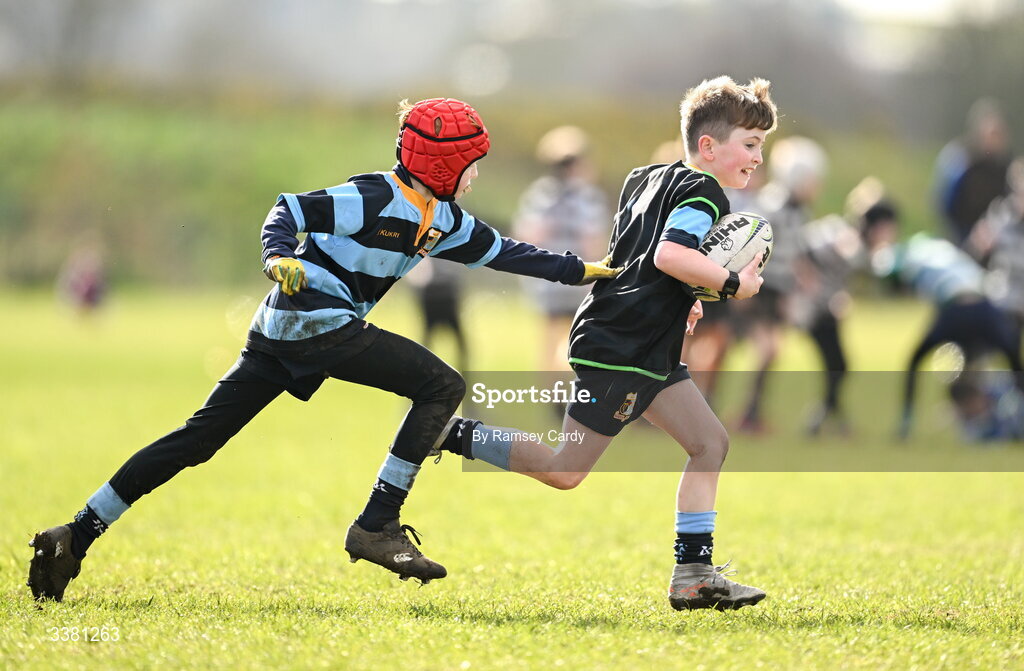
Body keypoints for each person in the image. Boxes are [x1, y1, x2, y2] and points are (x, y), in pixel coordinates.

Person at [27, 98, 620, 602]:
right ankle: (376, 522)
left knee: (196, 441)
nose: (475, 176)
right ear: (442, 164)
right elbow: (287, 208)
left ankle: (73, 535)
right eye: (471, 164)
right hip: (316, 322)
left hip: (282, 332)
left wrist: (590, 271)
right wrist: (278, 256)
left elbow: (513, 253)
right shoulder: (372, 196)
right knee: (441, 385)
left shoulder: (444, 219)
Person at [432, 76, 778, 611]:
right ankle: (453, 433)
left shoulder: (647, 177)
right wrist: (734, 283)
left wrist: (686, 299)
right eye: (750, 144)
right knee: (564, 469)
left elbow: (634, 255)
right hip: (624, 348)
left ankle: (694, 574)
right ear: (708, 146)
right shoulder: (705, 191)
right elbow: (668, 255)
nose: (758, 157)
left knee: (710, 444)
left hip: (641, 344)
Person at [734, 136, 826, 433]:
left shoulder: (800, 212)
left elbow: (796, 252)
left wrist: (803, 282)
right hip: (759, 289)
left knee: (772, 351)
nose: (817, 186)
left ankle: (752, 412)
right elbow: (751, 246)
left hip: (778, 291)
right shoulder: (772, 206)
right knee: (766, 349)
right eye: (813, 179)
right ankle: (746, 412)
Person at [513, 126, 610, 374]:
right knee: (568, 336)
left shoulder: (546, 195)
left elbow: (528, 234)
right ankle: (562, 387)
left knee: (558, 337)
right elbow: (593, 240)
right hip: (568, 277)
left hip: (561, 277)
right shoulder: (576, 196)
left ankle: (557, 387)